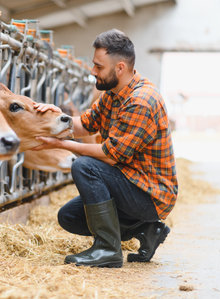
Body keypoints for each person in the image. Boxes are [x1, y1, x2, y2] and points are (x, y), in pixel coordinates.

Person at [33, 29, 178, 268]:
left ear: (119, 68)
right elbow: (84, 125)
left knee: (84, 166)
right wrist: (55, 116)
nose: (93, 71)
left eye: (98, 67)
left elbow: (111, 156)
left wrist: (61, 144)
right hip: (132, 183)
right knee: (69, 217)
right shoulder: (114, 94)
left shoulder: (141, 100)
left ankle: (108, 250)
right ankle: (147, 229)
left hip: (151, 194)